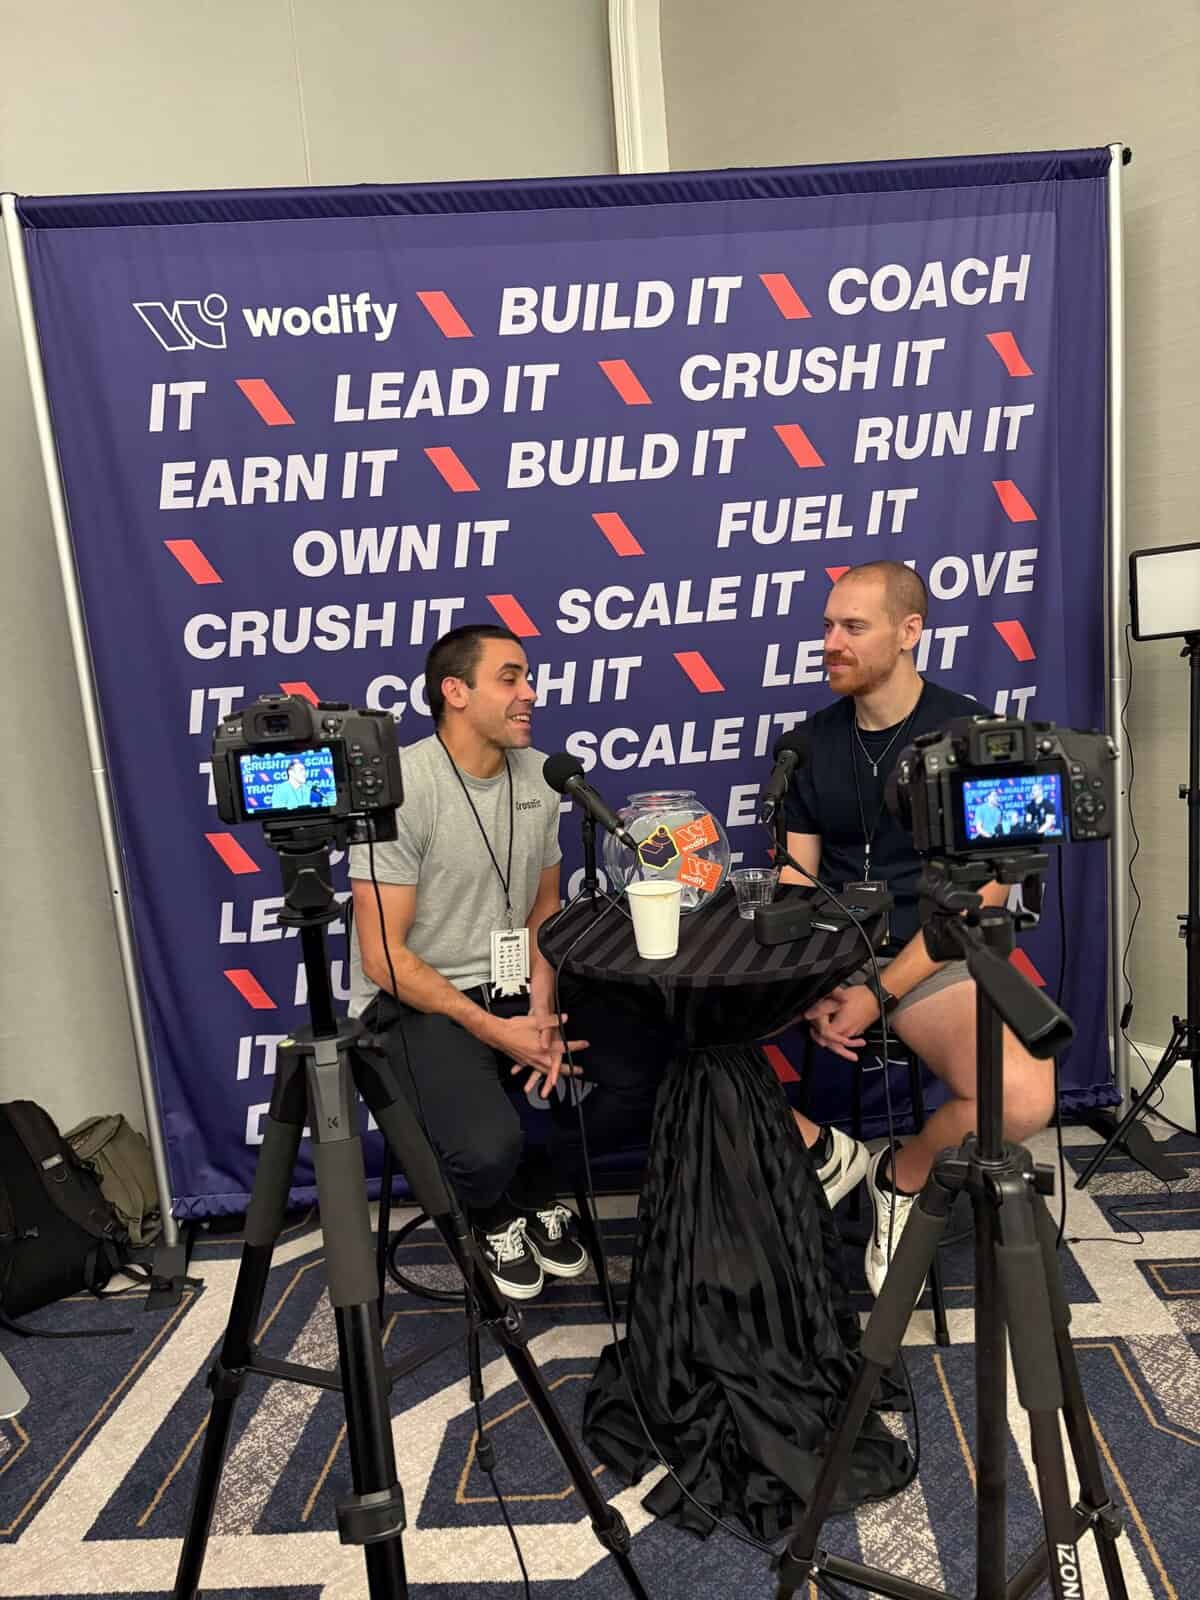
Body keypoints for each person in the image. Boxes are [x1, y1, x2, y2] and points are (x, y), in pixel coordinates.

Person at [348, 623, 666, 1302]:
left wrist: (541, 1008)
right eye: (510, 677)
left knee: (642, 1072)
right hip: (420, 997)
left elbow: (543, 910)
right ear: (454, 692)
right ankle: (495, 1209)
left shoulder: (541, 775)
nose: (530, 693)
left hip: (518, 980)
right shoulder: (402, 789)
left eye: (528, 677)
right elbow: (383, 958)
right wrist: (497, 1030)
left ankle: (535, 1186)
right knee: (485, 1148)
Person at [781, 562, 1055, 1295]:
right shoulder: (807, 743)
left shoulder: (979, 737)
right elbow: (796, 880)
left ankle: (897, 1180)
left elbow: (982, 898)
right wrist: (804, 978)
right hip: (836, 949)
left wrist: (875, 991)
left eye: (853, 628)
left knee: (1024, 1098)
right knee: (688, 1029)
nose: (831, 643)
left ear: (909, 633)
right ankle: (827, 1157)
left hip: (937, 955)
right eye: (828, 627)